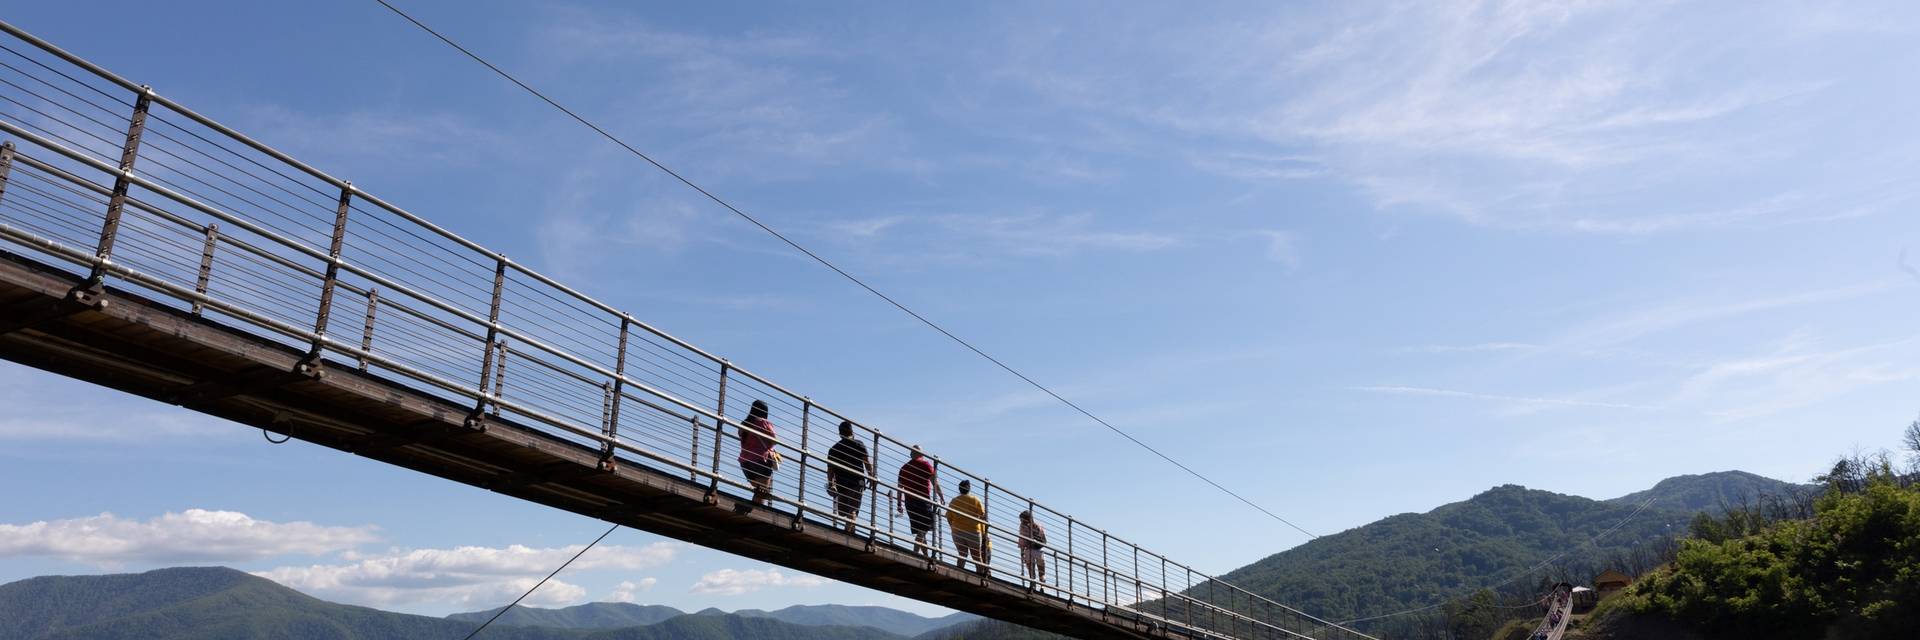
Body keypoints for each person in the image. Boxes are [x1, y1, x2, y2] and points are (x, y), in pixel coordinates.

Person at [825, 420, 872, 532]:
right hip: (857, 482)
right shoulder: (859, 444)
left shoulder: (834, 449)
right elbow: (867, 463)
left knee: (848, 511)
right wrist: (871, 476)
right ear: (852, 432)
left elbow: (830, 470)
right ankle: (849, 533)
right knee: (850, 511)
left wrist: (831, 484)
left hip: (842, 483)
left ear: (840, 434)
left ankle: (848, 533)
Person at [894, 446, 942, 554]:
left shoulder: (904, 468)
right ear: (921, 454)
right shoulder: (926, 465)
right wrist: (941, 497)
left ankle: (926, 556)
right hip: (923, 501)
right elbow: (935, 483)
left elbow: (899, 487)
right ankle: (914, 554)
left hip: (909, 503)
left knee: (921, 532)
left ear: (911, 454)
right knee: (922, 531)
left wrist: (899, 503)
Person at [737, 400, 778, 510]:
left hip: (745, 462)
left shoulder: (744, 424)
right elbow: (774, 440)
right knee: (763, 491)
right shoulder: (762, 422)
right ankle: (752, 512)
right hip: (761, 460)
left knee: (759, 491)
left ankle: (749, 509)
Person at [946, 480, 988, 573]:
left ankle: (959, 573)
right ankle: (980, 576)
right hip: (973, 531)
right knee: (976, 556)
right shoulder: (975, 500)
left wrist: (953, 527)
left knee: (962, 554)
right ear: (969, 488)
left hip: (957, 531)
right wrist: (984, 532)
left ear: (959, 489)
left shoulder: (954, 501)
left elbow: (948, 517)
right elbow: (983, 515)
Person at [1019, 510, 1048, 584]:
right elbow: (1044, 540)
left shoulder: (1023, 527)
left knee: (1031, 573)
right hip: (1039, 551)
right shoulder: (1038, 526)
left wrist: (1022, 553)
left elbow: (1022, 541)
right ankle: (1042, 586)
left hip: (1029, 551)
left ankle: (1033, 585)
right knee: (1042, 572)